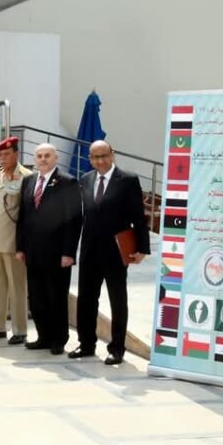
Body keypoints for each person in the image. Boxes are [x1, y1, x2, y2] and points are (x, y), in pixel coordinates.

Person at [72, 140, 150, 365]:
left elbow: (138, 216)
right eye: (95, 157)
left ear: (112, 154)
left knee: (118, 300)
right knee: (86, 299)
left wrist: (142, 248)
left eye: (104, 156)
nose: (100, 161)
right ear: (90, 159)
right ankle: (86, 344)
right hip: (90, 250)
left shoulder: (127, 180)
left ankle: (116, 348)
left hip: (116, 251)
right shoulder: (86, 179)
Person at [16, 143, 82, 355]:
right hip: (33, 251)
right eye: (39, 156)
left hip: (57, 253)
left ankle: (58, 339)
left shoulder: (67, 182)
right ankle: (43, 336)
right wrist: (20, 247)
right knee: (37, 298)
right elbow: (23, 216)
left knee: (56, 297)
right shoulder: (28, 181)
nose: (43, 159)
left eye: (47, 156)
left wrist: (69, 252)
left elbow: (74, 220)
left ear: (56, 158)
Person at [0, 137, 32, 344]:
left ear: (16, 154)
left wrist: (25, 243)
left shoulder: (27, 177)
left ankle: (20, 330)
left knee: (17, 287)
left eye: (7, 154)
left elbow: (29, 213)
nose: (3, 158)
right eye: (0, 155)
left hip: (13, 241)